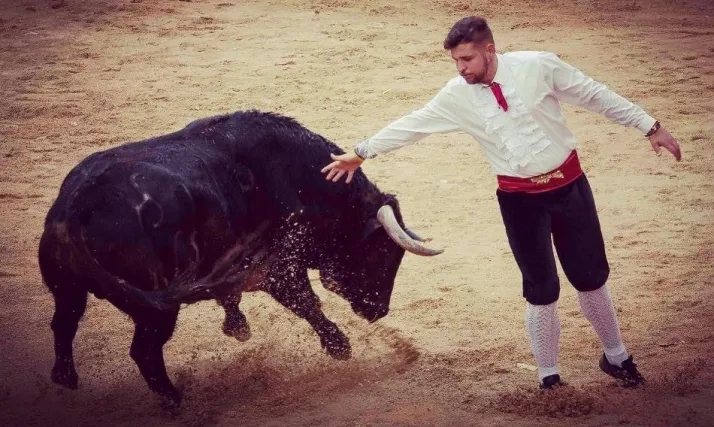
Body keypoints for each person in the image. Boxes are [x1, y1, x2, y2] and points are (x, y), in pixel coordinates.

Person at [320, 16, 681, 389]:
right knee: (541, 289)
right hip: (520, 202)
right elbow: (414, 125)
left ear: (489, 50)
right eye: (456, 61)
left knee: (591, 278)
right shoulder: (456, 95)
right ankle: (548, 378)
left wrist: (649, 126)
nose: (461, 69)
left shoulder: (538, 66)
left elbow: (595, 95)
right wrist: (361, 153)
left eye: (467, 59)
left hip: (570, 189)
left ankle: (617, 357)